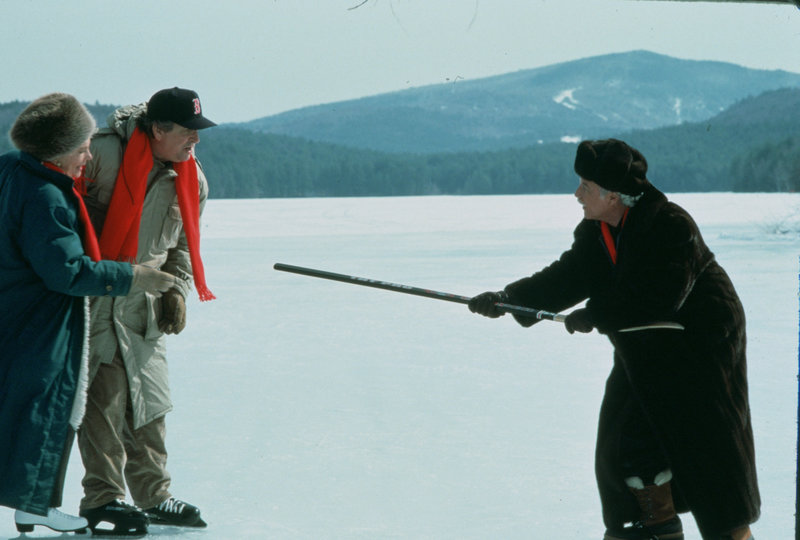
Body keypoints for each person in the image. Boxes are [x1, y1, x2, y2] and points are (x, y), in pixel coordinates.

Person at [468, 139, 759, 540]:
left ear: (613, 194)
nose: (576, 194)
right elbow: (570, 275)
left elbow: (660, 294)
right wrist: (511, 299)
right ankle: (651, 530)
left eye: (585, 186)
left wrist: (598, 313)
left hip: (700, 346)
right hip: (642, 344)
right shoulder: (598, 228)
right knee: (625, 441)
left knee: (706, 453)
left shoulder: (670, 223)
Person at [0, 93, 175, 535]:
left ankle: (31, 505)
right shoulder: (46, 196)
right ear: (58, 149)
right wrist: (134, 277)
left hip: (15, 308)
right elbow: (68, 271)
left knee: (29, 404)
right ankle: (35, 504)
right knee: (46, 405)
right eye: (81, 147)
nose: (87, 155)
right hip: (39, 316)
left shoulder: (12, 170)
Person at [76, 87, 216, 535]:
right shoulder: (100, 154)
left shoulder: (191, 179)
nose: (195, 140)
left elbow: (177, 247)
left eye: (198, 131)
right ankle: (103, 500)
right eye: (187, 132)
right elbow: (57, 215)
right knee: (105, 403)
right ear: (158, 129)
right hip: (94, 299)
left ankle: (155, 497)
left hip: (144, 307)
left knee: (150, 406)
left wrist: (178, 290)